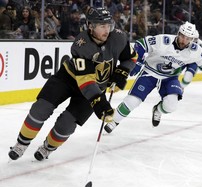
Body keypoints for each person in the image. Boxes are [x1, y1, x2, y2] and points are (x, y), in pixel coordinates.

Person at [8, 7, 136, 161]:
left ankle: (47, 148)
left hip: (95, 88)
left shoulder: (118, 38)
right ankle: (22, 143)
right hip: (68, 79)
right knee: (40, 109)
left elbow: (131, 58)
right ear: (91, 26)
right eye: (102, 26)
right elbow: (86, 83)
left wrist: (120, 73)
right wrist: (100, 105)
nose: (107, 30)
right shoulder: (81, 44)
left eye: (108, 25)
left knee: (66, 125)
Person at [104, 21, 202, 133]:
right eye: (182, 36)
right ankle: (115, 120)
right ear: (178, 33)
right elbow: (141, 44)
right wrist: (139, 61)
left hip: (169, 78)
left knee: (171, 106)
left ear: (192, 40)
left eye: (188, 39)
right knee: (133, 101)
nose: (184, 40)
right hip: (150, 73)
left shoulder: (196, 51)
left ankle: (157, 110)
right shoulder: (163, 40)